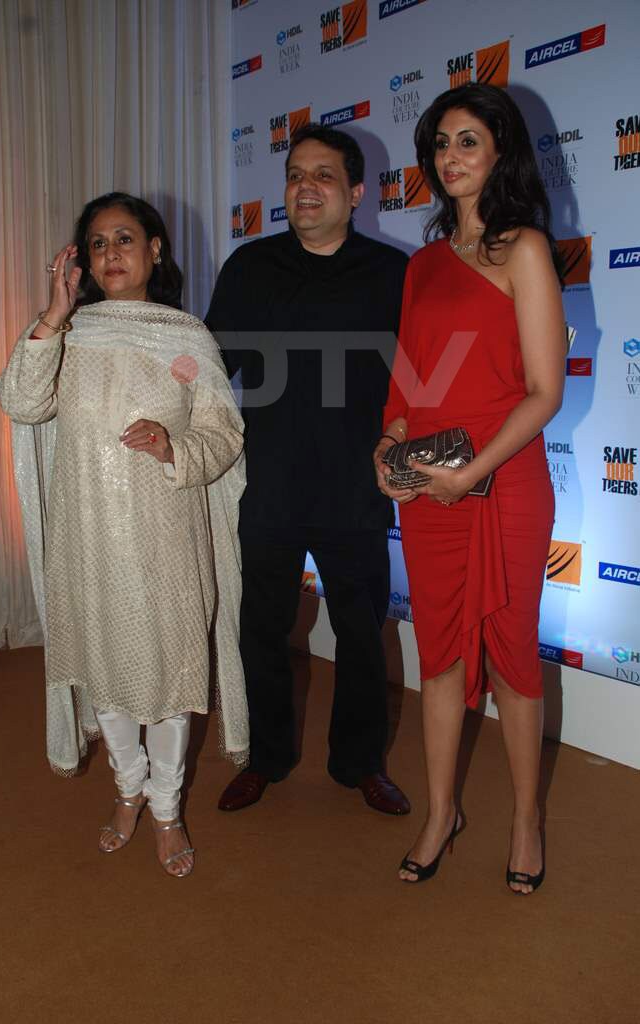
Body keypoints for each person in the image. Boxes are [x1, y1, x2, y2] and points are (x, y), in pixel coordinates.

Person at [0, 192, 247, 877]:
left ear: (155, 250)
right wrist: (52, 313)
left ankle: (166, 810)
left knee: (169, 677)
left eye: (126, 239)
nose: (112, 253)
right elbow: (20, 400)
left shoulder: (187, 339)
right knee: (106, 676)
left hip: (165, 538)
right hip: (89, 538)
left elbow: (223, 432)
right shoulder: (67, 337)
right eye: (98, 243)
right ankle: (128, 793)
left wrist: (173, 447)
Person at [374, 84, 565, 893]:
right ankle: (441, 810)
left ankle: (525, 820)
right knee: (441, 652)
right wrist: (388, 448)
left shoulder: (525, 248)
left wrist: (473, 474)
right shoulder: (420, 265)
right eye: (441, 144)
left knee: (515, 655)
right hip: (431, 489)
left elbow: (544, 391)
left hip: (505, 482)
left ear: (500, 153)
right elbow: (410, 385)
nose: (451, 158)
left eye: (468, 142)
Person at [206, 124, 410, 815]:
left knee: (359, 632)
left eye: (324, 175)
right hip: (271, 483)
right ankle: (266, 757)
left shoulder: (392, 275)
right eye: (296, 174)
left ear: (356, 193)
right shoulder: (249, 268)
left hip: (356, 487)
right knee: (261, 627)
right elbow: (208, 371)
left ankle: (360, 764)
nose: (306, 187)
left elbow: (417, 384)